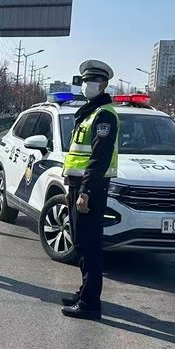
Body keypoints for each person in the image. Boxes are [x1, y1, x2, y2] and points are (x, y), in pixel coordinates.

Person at [60, 60, 120, 320]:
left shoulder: (104, 115)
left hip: (92, 188)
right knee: (81, 243)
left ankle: (90, 304)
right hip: (80, 185)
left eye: (93, 80)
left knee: (90, 245)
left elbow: (99, 157)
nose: (87, 85)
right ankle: (84, 292)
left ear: (104, 84)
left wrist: (85, 191)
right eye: (85, 80)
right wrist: (72, 186)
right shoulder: (89, 112)